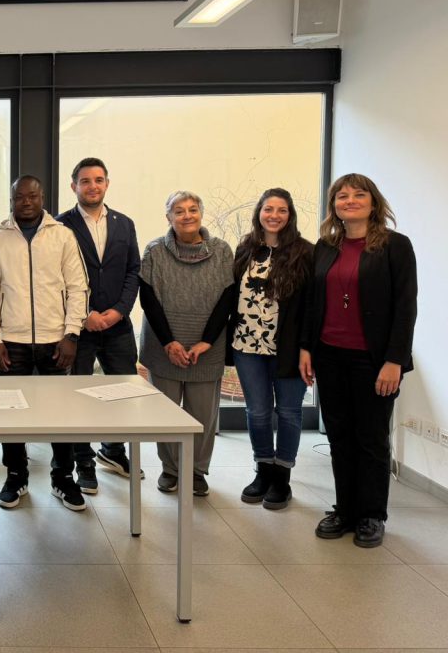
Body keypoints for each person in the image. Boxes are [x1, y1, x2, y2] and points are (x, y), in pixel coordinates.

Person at [301, 174, 417, 548]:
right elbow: (313, 302)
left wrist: (395, 360)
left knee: (371, 439)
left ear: (373, 202)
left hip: (374, 360)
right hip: (329, 355)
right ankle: (345, 510)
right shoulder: (325, 247)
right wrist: (306, 348)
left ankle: (371, 515)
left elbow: (406, 307)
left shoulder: (395, 246)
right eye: (342, 195)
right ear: (334, 205)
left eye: (358, 194)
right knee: (339, 437)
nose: (349, 200)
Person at [0, 176, 89, 511]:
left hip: (55, 339)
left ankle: (63, 477)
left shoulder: (63, 235)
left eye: (32, 196)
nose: (26, 202)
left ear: (42, 197)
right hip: (11, 342)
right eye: (19, 197)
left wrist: (71, 334)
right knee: (11, 415)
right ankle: (16, 476)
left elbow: (78, 287)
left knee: (60, 414)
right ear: (11, 199)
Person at [139, 190, 235, 497]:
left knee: (202, 415)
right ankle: (170, 469)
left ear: (201, 214)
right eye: (178, 211)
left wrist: (207, 341)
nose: (187, 215)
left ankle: (196, 471)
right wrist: (169, 343)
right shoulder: (154, 250)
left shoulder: (221, 251)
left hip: (207, 346)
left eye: (193, 209)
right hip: (163, 344)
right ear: (168, 217)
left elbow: (228, 297)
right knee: (165, 413)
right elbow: (147, 298)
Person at [56, 157, 143, 492]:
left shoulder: (124, 223)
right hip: (78, 327)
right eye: (85, 181)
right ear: (73, 186)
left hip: (117, 325)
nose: (92, 186)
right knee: (77, 396)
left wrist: (119, 311)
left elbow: (133, 270)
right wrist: (86, 313)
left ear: (107, 183)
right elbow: (56, 278)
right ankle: (84, 462)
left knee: (124, 392)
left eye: (98, 180)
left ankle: (114, 450)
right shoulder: (60, 226)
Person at [230, 188, 313, 510]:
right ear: (259, 213)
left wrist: (307, 348)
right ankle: (263, 470)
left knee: (289, 412)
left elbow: (311, 306)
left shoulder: (305, 252)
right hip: (247, 344)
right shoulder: (246, 248)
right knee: (258, 412)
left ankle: (282, 477)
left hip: (288, 348)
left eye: (281, 210)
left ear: (290, 215)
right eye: (268, 209)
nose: (274, 215)